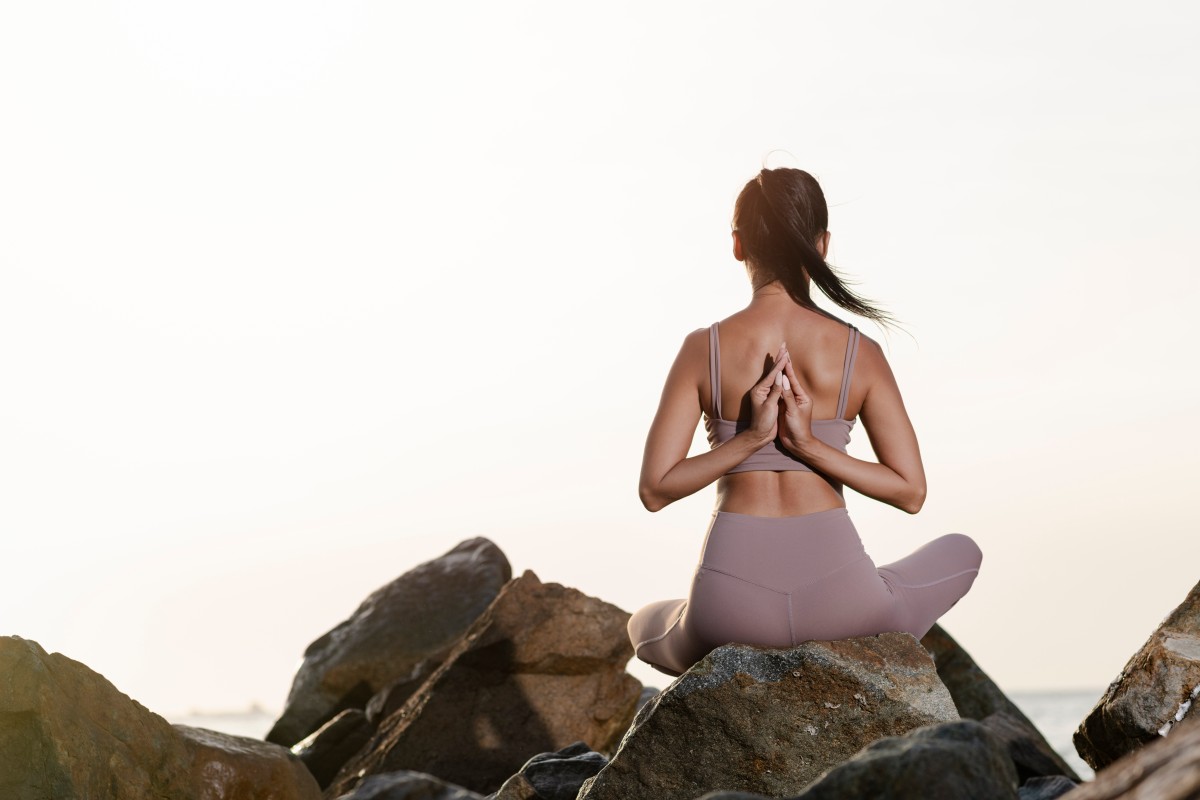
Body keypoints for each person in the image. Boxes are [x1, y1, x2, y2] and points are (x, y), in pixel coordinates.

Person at [629, 167, 982, 677]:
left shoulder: (701, 349)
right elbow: (911, 493)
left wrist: (749, 439)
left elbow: (655, 490)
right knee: (962, 552)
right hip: (841, 606)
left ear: (737, 244)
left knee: (642, 625)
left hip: (729, 612)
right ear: (822, 244)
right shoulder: (861, 353)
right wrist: (811, 446)